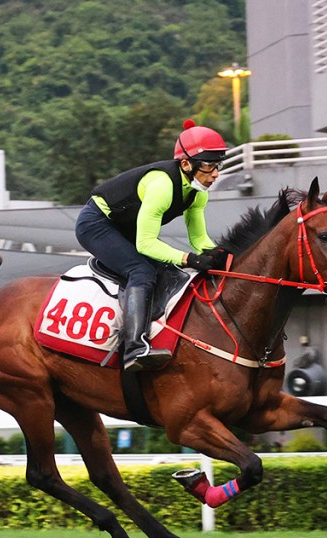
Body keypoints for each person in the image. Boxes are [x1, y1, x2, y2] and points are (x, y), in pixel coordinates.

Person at [75, 119, 231, 372]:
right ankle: (135, 348)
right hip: (96, 224)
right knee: (141, 271)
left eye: (218, 166)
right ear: (186, 164)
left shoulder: (198, 192)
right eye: (209, 166)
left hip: (124, 229)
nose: (215, 174)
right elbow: (146, 243)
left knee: (173, 275)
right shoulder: (162, 186)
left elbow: (199, 240)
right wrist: (189, 259)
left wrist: (220, 255)